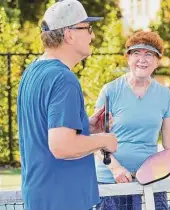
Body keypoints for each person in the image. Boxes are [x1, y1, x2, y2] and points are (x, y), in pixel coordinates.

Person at [16, 0, 117, 210]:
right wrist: (104, 139)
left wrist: (87, 127)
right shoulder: (63, 79)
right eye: (88, 29)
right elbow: (62, 146)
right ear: (69, 35)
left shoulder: (33, 71)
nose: (93, 35)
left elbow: (47, 132)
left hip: (41, 196)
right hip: (63, 200)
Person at [94, 30, 170, 210]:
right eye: (136, 53)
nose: (142, 59)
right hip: (111, 183)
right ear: (128, 58)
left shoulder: (164, 95)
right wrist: (116, 169)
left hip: (151, 179)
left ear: (157, 61)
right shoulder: (110, 91)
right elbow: (96, 139)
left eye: (149, 54)